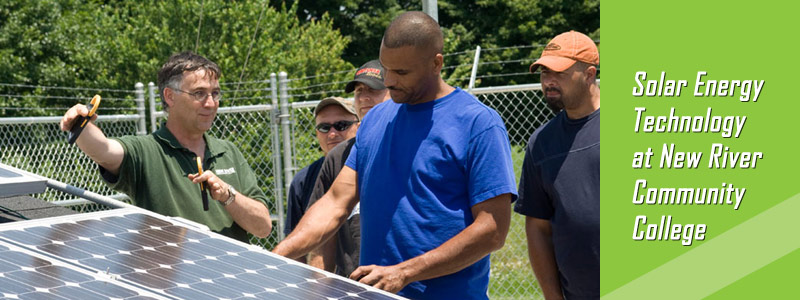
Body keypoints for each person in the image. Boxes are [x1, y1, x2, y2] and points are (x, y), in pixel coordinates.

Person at [273, 11, 517, 300]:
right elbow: (336, 203)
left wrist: (405, 272)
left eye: (402, 73)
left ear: (436, 63)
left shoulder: (478, 124)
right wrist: (276, 257)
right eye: (387, 68)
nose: (389, 81)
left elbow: (493, 230)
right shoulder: (376, 121)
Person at [59, 52, 272, 242]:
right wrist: (80, 124)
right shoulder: (147, 151)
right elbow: (104, 150)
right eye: (199, 93)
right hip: (174, 282)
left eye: (215, 93)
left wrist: (227, 195)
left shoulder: (228, 151)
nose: (210, 103)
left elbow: (263, 227)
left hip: (234, 277)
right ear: (170, 96)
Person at [514, 30, 600, 300]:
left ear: (589, 74)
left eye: (558, 73)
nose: (548, 82)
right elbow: (538, 227)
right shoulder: (541, 142)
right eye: (543, 73)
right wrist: (553, 296)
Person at [305, 60, 391, 277]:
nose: (363, 98)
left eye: (373, 90)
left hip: (403, 283)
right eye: (359, 91)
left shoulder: (412, 147)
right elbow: (322, 240)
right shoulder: (338, 157)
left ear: (394, 92)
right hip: (353, 286)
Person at [284, 96, 359, 254]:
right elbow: (295, 242)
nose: (332, 134)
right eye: (324, 127)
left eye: (341, 125)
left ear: (358, 126)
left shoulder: (373, 168)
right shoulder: (303, 180)